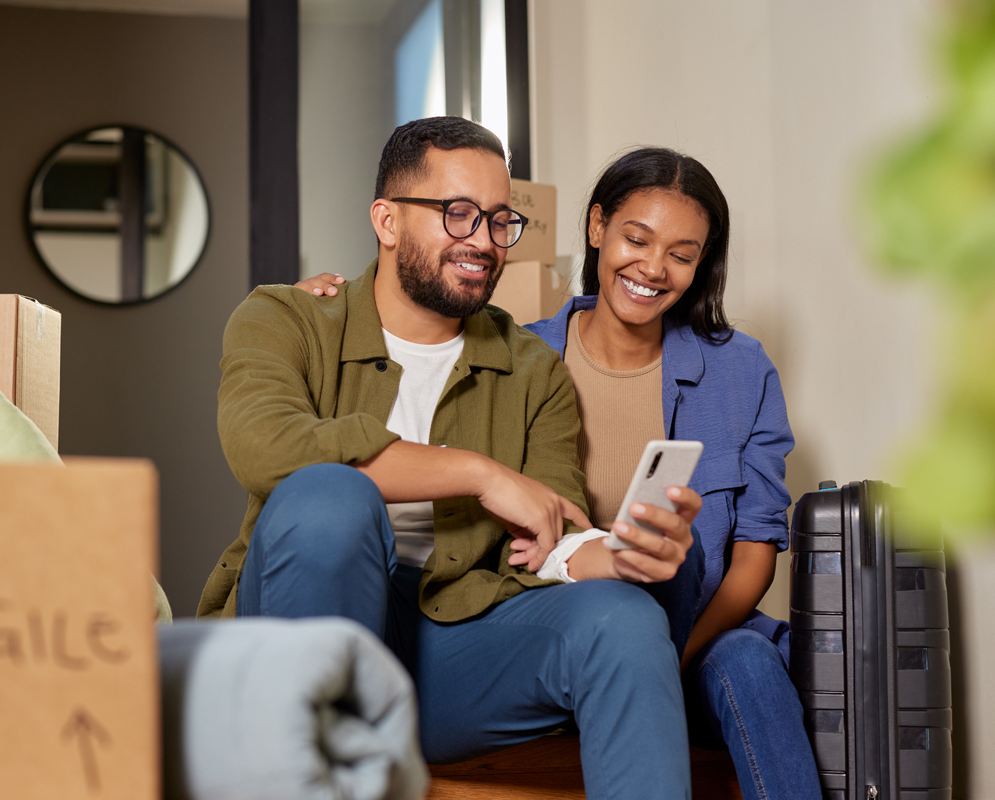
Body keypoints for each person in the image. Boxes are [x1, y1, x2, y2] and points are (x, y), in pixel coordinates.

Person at [200, 117, 705, 799]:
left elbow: (550, 532)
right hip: (301, 636)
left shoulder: (532, 369)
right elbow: (268, 447)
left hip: (450, 653)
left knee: (628, 620)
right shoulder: (284, 319)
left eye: (500, 221)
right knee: (331, 498)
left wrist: (623, 556)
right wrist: (479, 474)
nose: (484, 243)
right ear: (386, 220)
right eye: (458, 215)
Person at [305, 145, 820, 799]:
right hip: (557, 626)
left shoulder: (740, 370)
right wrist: (325, 305)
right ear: (598, 228)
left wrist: (672, 655)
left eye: (682, 255)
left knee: (749, 659)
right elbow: (409, 325)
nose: (654, 268)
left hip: (695, 635)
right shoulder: (518, 355)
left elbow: (753, 556)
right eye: (637, 238)